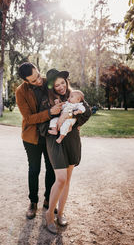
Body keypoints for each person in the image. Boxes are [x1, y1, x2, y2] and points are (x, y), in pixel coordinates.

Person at [38, 68, 91, 234]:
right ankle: (49, 214)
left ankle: (60, 213)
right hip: (54, 140)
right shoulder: (47, 100)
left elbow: (87, 111)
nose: (60, 87)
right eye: (56, 85)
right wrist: (54, 118)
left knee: (67, 179)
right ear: (52, 87)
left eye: (62, 83)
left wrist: (72, 121)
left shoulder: (73, 95)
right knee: (60, 178)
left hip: (72, 139)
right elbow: (41, 124)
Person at [15, 63, 63, 219]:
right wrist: (50, 113)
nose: (38, 81)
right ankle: (33, 202)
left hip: (50, 135)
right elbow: (28, 118)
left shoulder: (48, 82)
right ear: (26, 81)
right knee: (34, 169)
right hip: (31, 137)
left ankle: (49, 200)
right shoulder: (20, 92)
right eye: (33, 80)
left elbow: (64, 93)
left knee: (51, 169)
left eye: (38, 76)